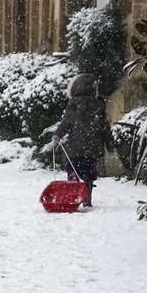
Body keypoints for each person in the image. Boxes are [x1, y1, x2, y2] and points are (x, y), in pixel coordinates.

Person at [53, 73, 111, 203]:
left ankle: (73, 187)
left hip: (75, 145)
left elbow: (67, 122)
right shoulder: (98, 104)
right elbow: (104, 125)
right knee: (89, 170)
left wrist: (58, 134)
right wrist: (109, 142)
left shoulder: (73, 103)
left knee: (72, 166)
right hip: (92, 145)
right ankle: (87, 194)